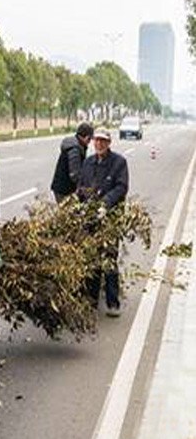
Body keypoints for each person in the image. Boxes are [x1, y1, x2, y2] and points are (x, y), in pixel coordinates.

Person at [77, 129, 129, 317]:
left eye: (103, 141)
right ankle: (91, 301)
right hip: (91, 218)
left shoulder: (119, 163)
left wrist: (105, 205)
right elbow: (81, 187)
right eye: (97, 140)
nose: (99, 144)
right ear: (93, 142)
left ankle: (112, 303)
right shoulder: (88, 162)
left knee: (108, 259)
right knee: (92, 258)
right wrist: (82, 204)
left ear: (109, 143)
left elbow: (121, 187)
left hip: (109, 218)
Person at [51, 122, 94, 202]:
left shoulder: (77, 146)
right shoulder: (74, 150)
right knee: (69, 212)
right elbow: (75, 174)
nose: (90, 142)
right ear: (86, 137)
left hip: (63, 188)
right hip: (64, 190)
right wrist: (85, 190)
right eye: (89, 139)